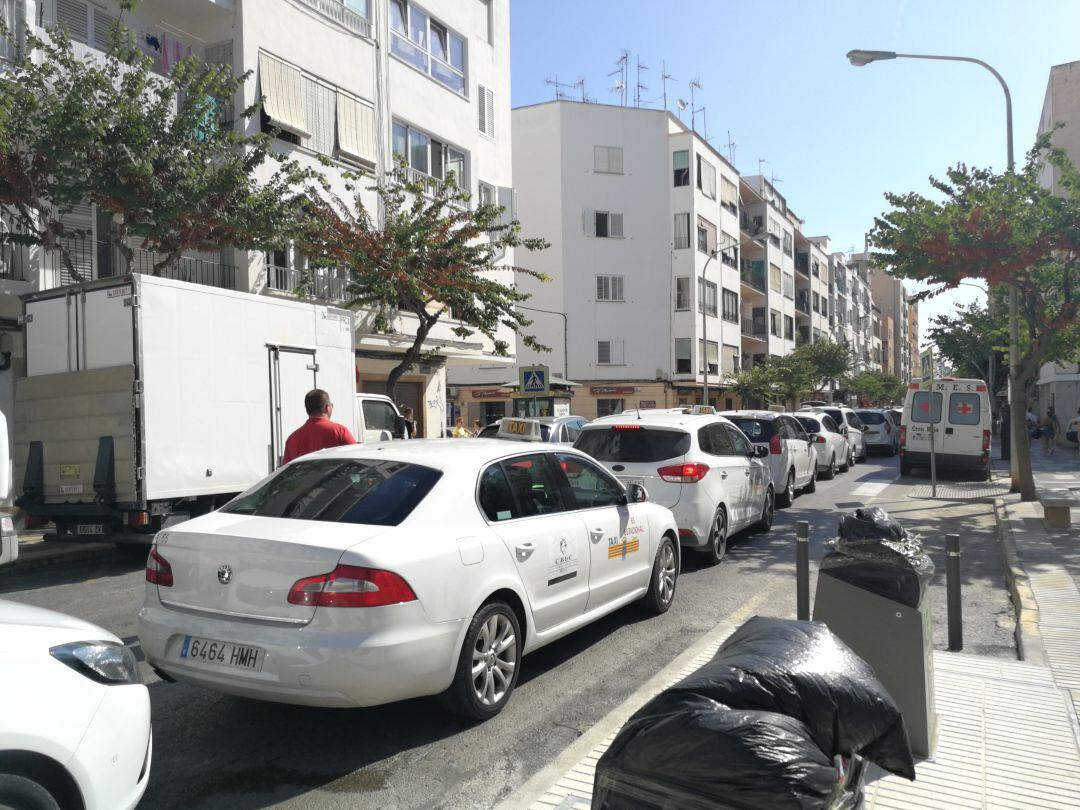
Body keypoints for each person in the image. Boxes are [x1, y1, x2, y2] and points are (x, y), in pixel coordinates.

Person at [281, 389, 357, 464]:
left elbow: (286, 470)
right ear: (327, 408)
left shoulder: (292, 439)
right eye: (331, 405)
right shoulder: (339, 431)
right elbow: (358, 457)